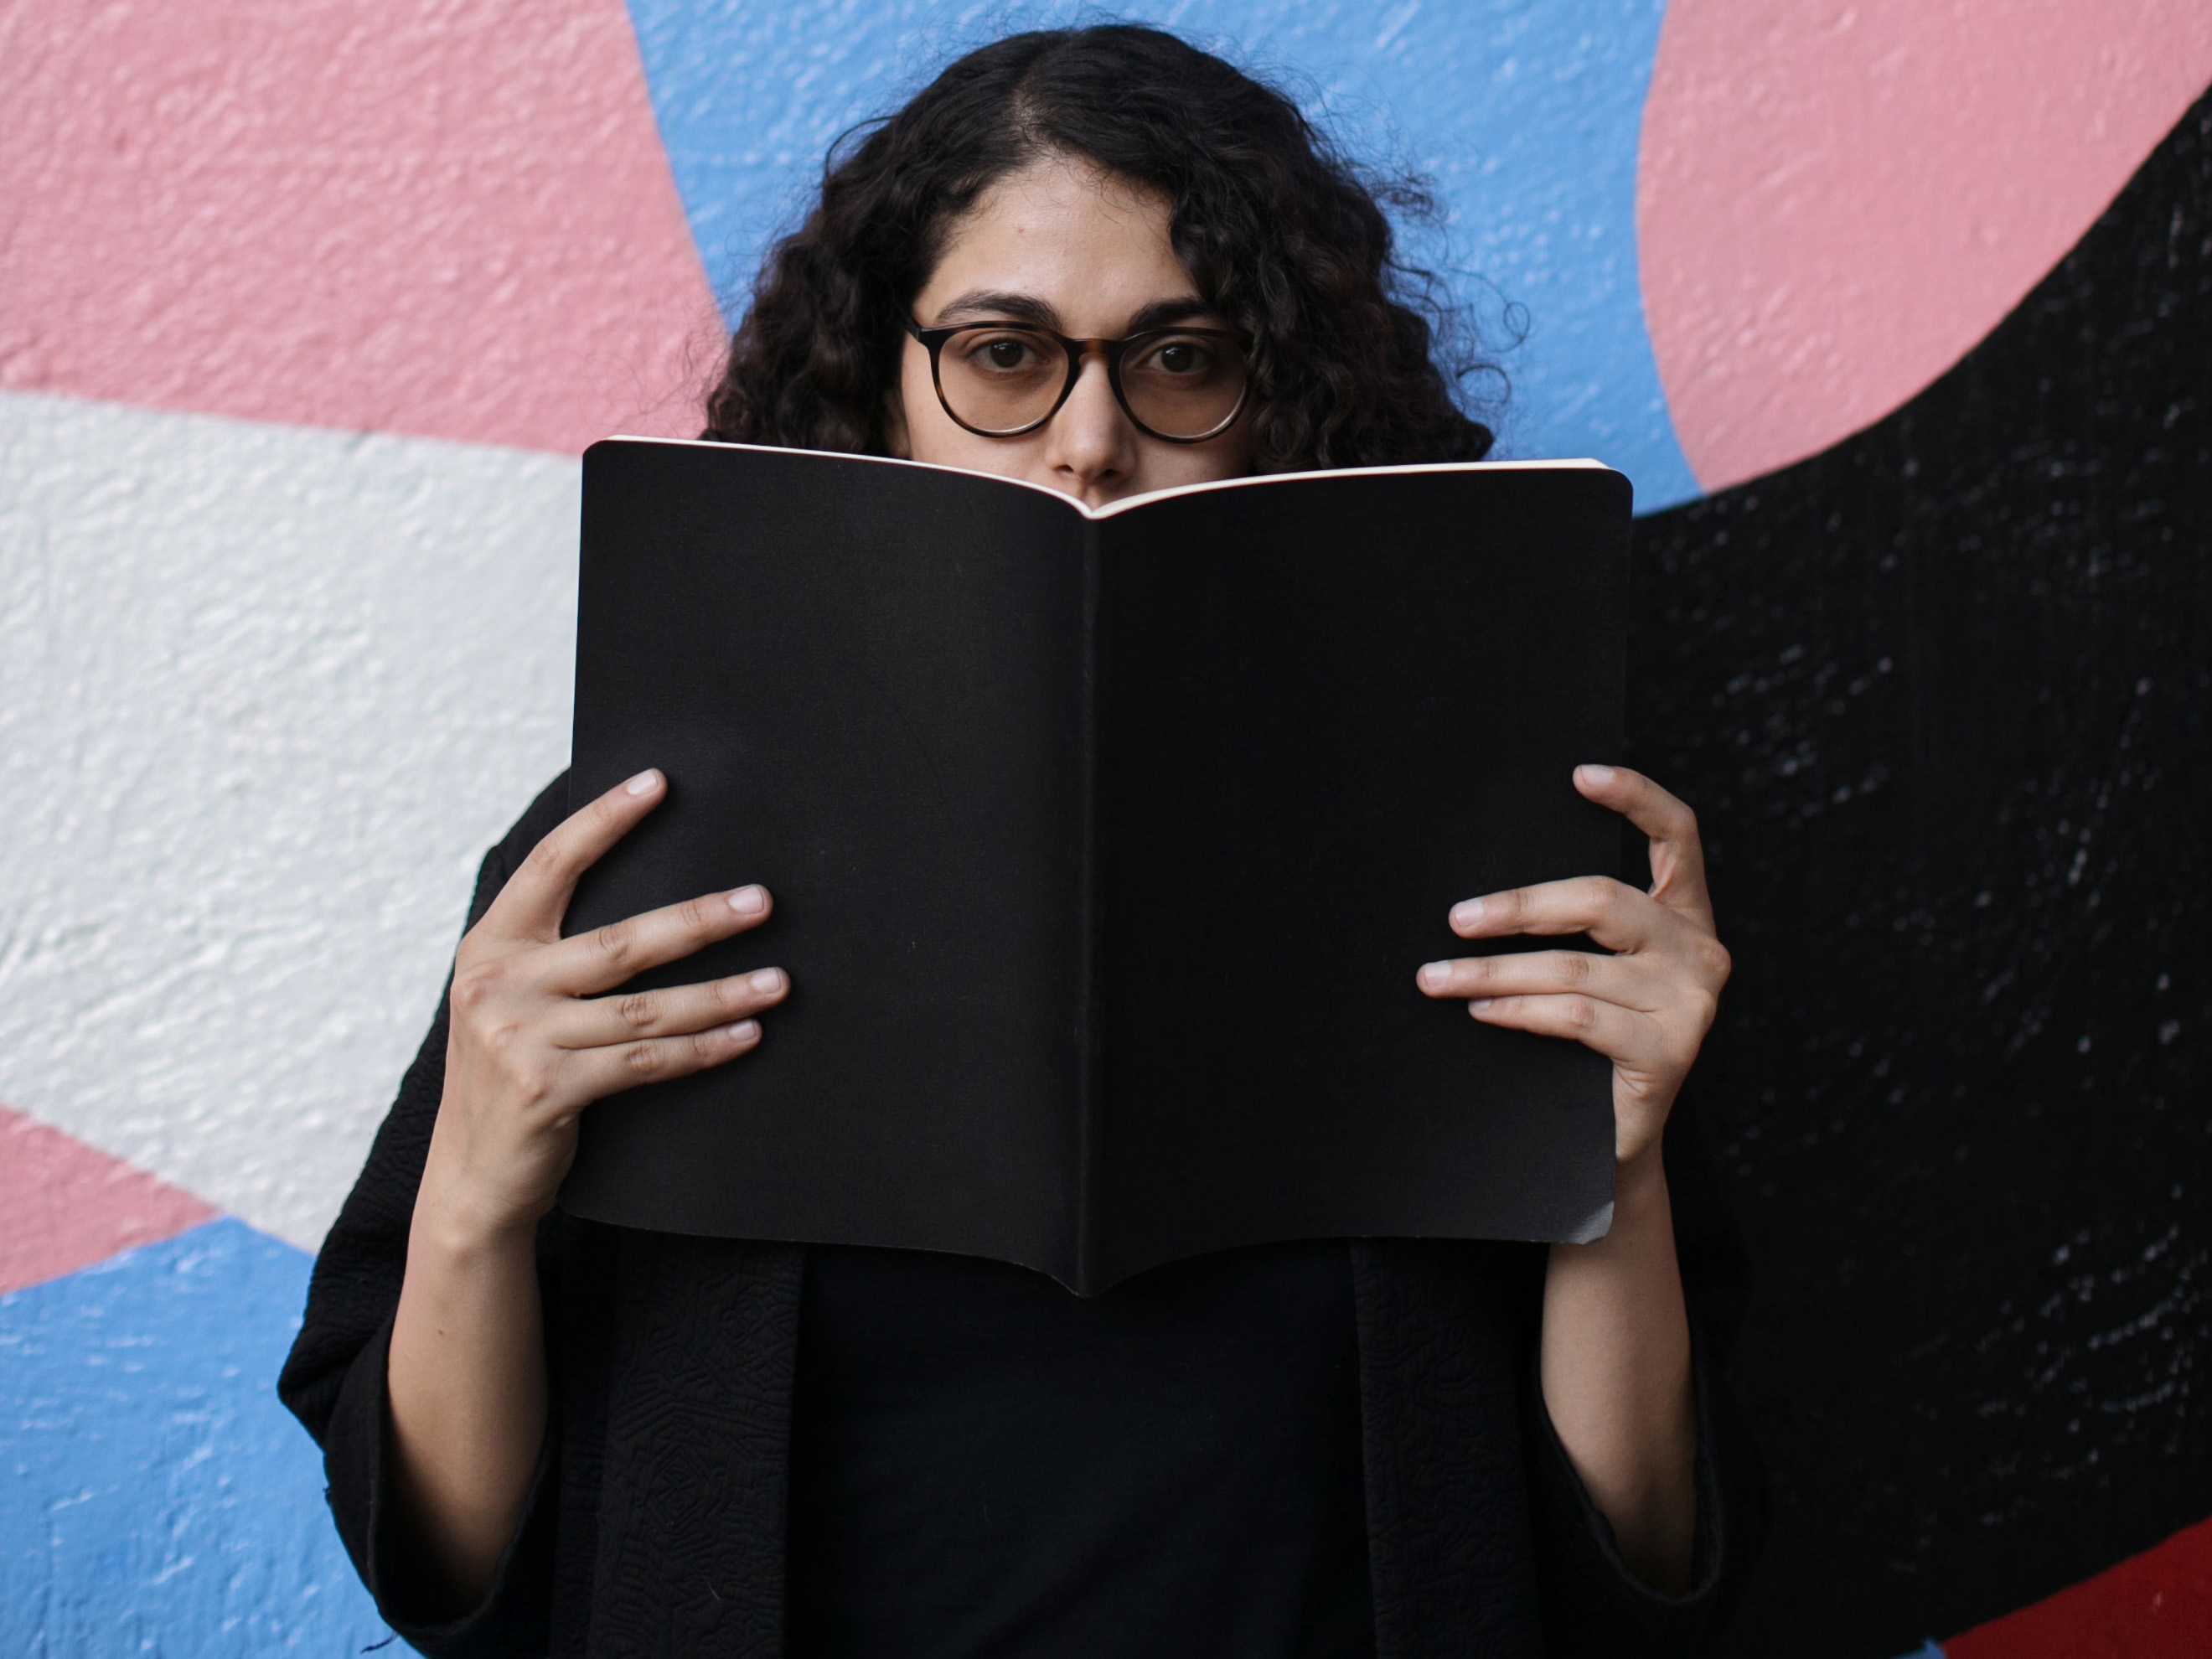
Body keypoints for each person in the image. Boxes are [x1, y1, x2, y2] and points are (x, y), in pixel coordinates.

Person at [281, 24, 1760, 1657]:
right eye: (1003, 352)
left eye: (1182, 356)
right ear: (881, 378)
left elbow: (1647, 1561)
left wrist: (1618, 1164)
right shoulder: (637, 842)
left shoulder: (1497, 837)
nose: (1088, 439)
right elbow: (439, 1562)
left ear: (1281, 392)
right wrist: (474, 1197)